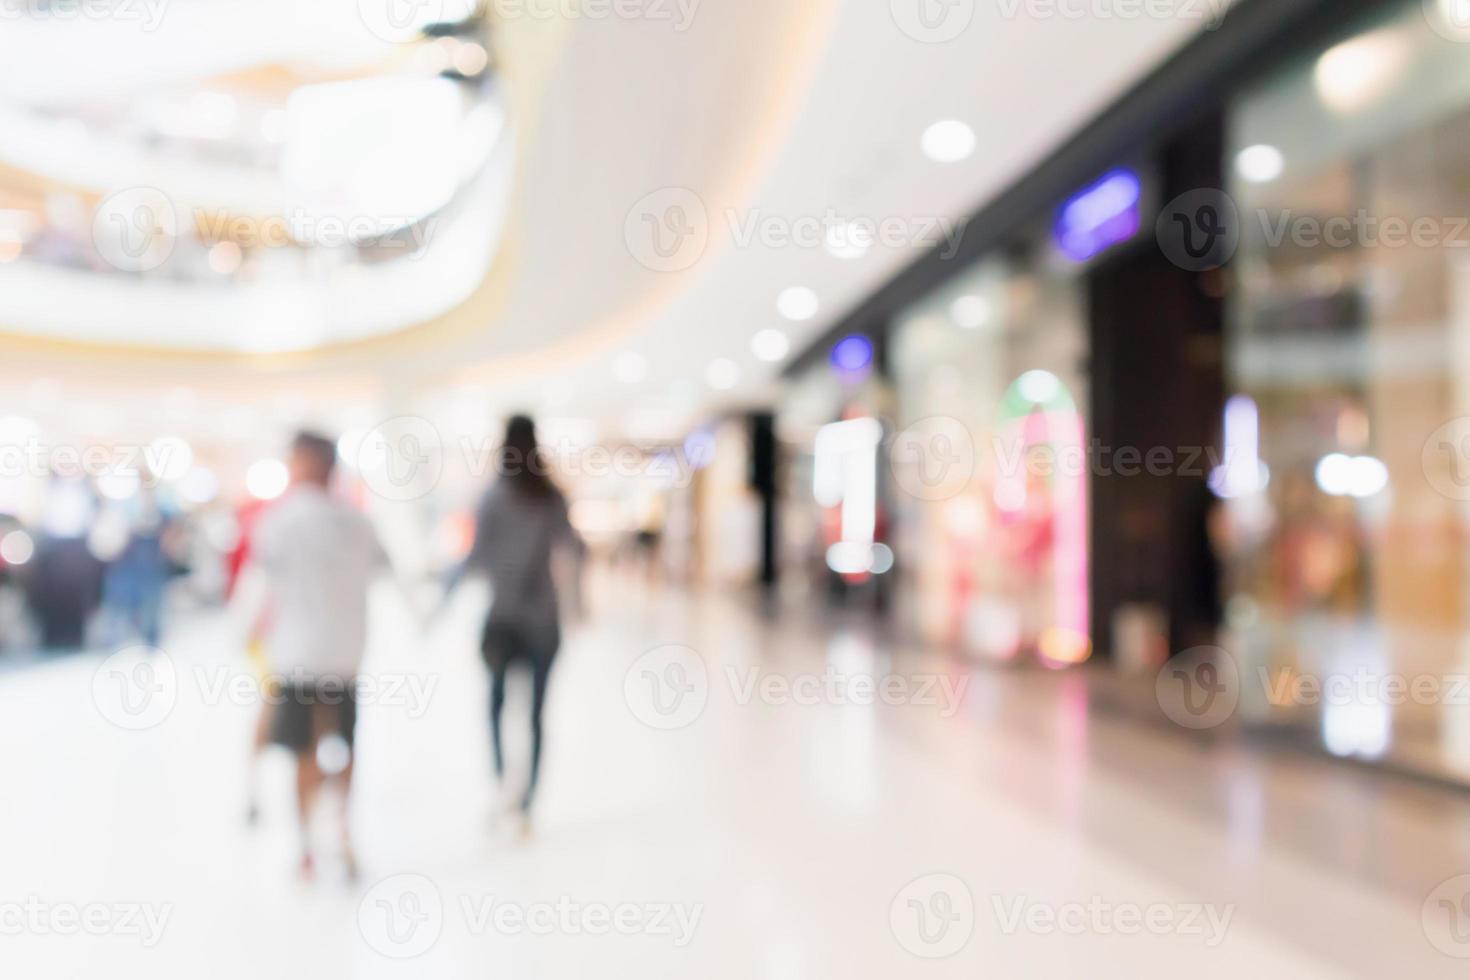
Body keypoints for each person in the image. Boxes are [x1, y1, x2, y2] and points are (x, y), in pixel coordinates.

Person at [249, 431, 390, 879]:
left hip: (299, 656)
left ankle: (310, 843)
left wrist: (242, 636)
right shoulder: (356, 521)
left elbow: (257, 586)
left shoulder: (281, 520)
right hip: (343, 653)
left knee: (306, 752)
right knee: (342, 748)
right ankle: (338, 834)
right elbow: (385, 569)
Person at [455, 415, 583, 835]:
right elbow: (574, 549)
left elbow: (475, 559)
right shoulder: (550, 497)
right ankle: (527, 801)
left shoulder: (493, 498)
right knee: (536, 715)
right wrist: (580, 603)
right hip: (544, 621)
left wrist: (439, 593)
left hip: (503, 620)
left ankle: (501, 783)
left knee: (495, 705)